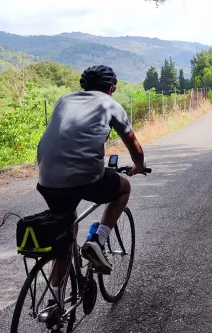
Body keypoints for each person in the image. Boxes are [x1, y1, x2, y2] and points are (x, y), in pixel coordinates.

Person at [36, 65, 146, 276]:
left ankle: (54, 303)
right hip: (87, 177)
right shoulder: (110, 104)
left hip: (47, 177)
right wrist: (139, 166)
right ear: (112, 88)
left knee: (65, 234)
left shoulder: (64, 100)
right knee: (123, 188)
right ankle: (97, 241)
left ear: (84, 86)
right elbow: (135, 147)